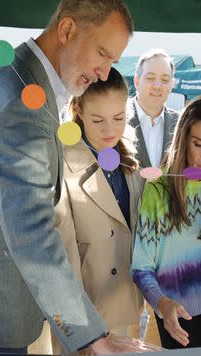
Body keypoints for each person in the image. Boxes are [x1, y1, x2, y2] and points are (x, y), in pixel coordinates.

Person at [0, 0, 138, 356]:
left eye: (112, 61)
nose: (103, 72)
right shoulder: (21, 102)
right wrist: (92, 336)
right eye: (102, 53)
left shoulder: (20, 72)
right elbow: (32, 229)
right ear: (66, 30)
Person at [131, 94, 201, 349]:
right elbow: (141, 268)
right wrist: (161, 302)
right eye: (198, 144)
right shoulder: (159, 190)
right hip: (170, 310)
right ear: (183, 141)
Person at [57, 67, 144, 336]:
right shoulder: (61, 160)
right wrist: (77, 326)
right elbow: (63, 252)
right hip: (84, 312)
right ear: (78, 110)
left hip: (122, 305)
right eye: (97, 120)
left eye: (118, 118)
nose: (109, 130)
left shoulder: (129, 156)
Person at [129, 49, 180, 170]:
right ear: (137, 81)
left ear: (172, 84)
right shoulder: (117, 117)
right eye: (150, 78)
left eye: (165, 80)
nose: (157, 86)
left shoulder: (181, 123)